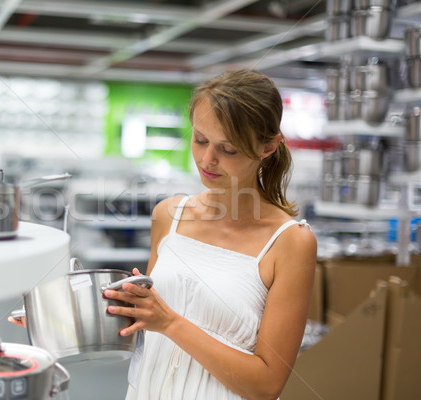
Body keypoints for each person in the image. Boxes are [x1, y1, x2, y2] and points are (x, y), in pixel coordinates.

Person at [102, 69, 317, 400]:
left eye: (227, 149)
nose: (207, 159)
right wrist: (67, 319)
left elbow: (266, 385)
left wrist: (170, 323)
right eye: (200, 139)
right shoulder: (168, 216)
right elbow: (148, 327)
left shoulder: (289, 242)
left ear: (269, 147)